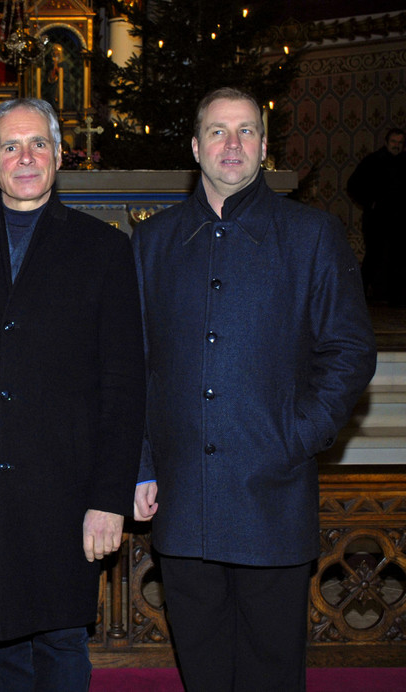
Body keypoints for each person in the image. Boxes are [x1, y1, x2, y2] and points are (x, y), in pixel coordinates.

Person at [131, 87, 377, 692]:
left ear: (264, 147)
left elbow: (350, 351)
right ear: (196, 147)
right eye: (217, 131)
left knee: (272, 672)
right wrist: (142, 467)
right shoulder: (152, 242)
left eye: (246, 131)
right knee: (204, 671)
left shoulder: (312, 235)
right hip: (182, 499)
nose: (232, 144)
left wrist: (297, 436)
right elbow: (134, 365)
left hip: (273, 496)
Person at [0, 97, 145, 691]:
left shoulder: (105, 248)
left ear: (60, 156)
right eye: (10, 146)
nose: (26, 157)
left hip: (68, 490)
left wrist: (110, 497)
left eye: (39, 143)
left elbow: (124, 386)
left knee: (63, 641)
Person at [347, 127, 406, 304]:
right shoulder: (372, 161)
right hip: (377, 219)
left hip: (399, 219)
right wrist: (370, 203)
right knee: (373, 257)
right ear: (386, 142)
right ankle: (360, 296)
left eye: (400, 143)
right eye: (393, 142)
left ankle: (396, 298)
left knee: (398, 258)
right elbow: (353, 185)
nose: (396, 145)